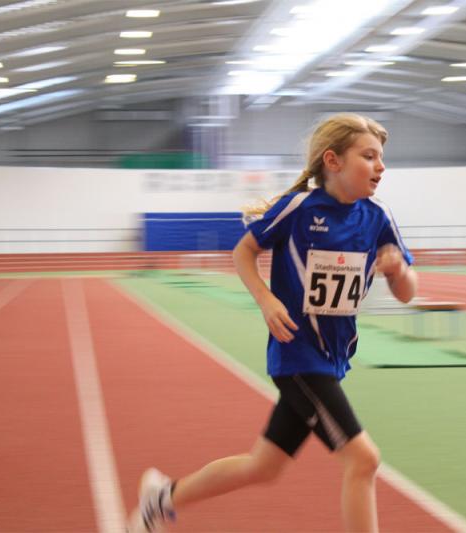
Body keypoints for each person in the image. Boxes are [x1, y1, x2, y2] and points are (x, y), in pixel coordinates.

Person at [127, 113, 418, 533]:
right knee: (363, 460)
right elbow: (243, 251)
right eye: (369, 156)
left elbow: (407, 292)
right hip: (299, 356)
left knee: (263, 466)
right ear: (333, 161)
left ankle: (162, 497)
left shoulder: (378, 217)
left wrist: (398, 271)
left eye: (381, 157)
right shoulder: (299, 209)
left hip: (332, 361)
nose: (381, 166)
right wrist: (265, 300)